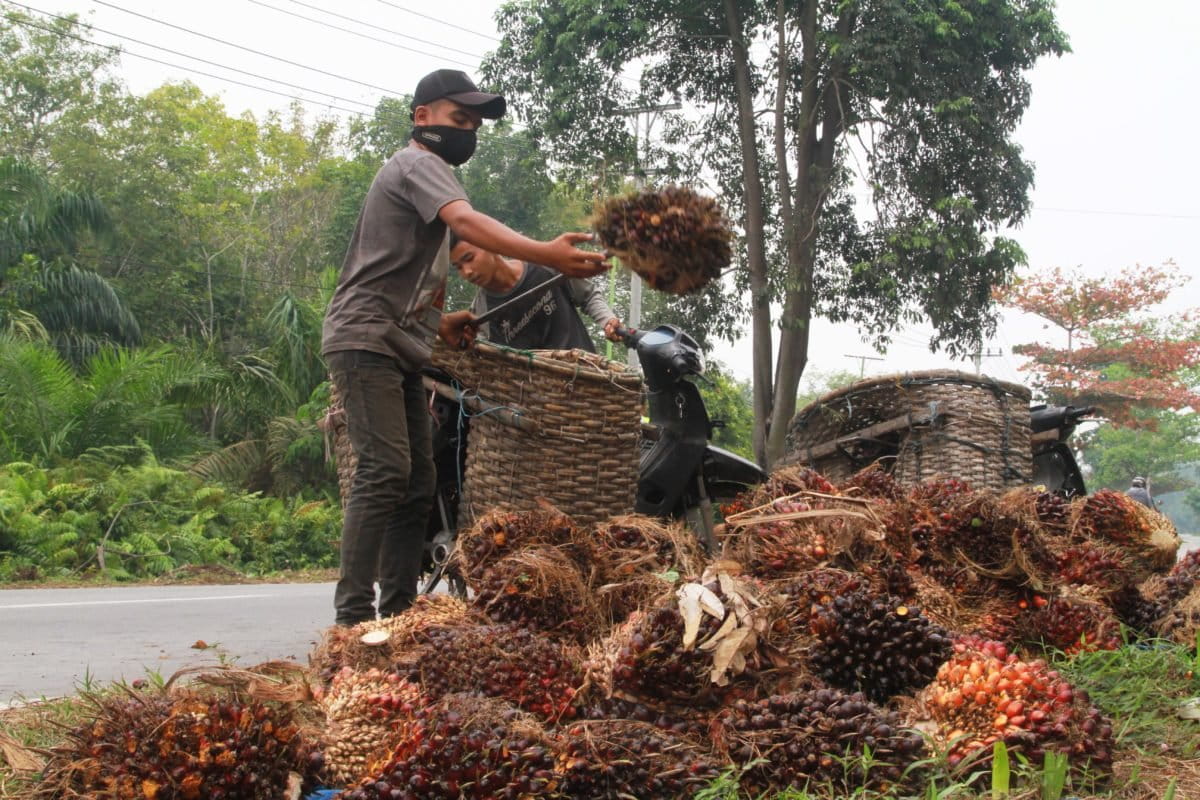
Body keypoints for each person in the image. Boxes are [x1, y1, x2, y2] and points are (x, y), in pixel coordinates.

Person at [321, 68, 608, 626]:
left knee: (417, 481)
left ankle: (399, 614)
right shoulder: (417, 164)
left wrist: (441, 319)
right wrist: (547, 254)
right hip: (366, 339)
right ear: (421, 117)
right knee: (384, 471)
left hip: (401, 343)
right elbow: (468, 225)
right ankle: (352, 620)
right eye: (459, 119)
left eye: (474, 124)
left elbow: (410, 269)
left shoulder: (428, 176)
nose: (467, 131)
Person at [449, 233, 622, 352]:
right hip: (539, 400)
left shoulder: (545, 265)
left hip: (587, 377)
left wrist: (607, 320)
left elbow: (588, 295)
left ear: (491, 246)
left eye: (469, 259)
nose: (467, 272)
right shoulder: (479, 315)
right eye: (458, 267)